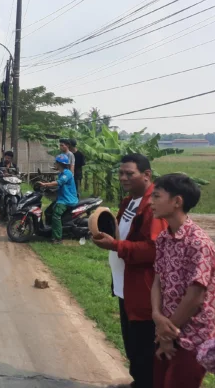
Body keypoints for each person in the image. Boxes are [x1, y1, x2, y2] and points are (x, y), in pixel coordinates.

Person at [91, 153, 166, 388]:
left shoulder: (153, 206)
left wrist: (115, 245)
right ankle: (138, 382)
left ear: (146, 175)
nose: (123, 178)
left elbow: (153, 250)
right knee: (133, 345)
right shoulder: (129, 202)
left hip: (143, 291)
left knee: (144, 348)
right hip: (126, 287)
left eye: (129, 173)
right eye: (120, 173)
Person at [151, 173, 215, 388]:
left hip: (194, 334)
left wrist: (168, 331)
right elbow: (158, 279)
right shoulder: (164, 238)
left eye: (156, 196)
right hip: (166, 327)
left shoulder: (198, 243)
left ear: (177, 202)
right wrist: (157, 316)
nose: (151, 202)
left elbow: (195, 296)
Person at [38, 154, 77, 245]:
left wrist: (45, 184)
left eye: (56, 162)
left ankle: (58, 238)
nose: (55, 164)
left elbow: (59, 182)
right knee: (48, 211)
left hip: (67, 200)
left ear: (59, 163)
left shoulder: (67, 173)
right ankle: (49, 231)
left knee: (56, 215)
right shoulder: (61, 174)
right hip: (61, 198)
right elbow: (59, 185)